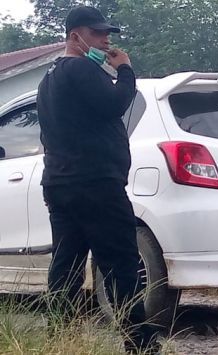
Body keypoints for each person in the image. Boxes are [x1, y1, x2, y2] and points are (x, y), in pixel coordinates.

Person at [37, 6, 159, 354]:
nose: (106, 40)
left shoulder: (50, 78)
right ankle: (141, 342)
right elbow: (115, 104)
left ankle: (59, 337)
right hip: (96, 185)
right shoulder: (81, 68)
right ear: (76, 36)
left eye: (107, 33)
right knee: (120, 263)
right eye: (98, 33)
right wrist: (125, 70)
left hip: (61, 185)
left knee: (66, 264)